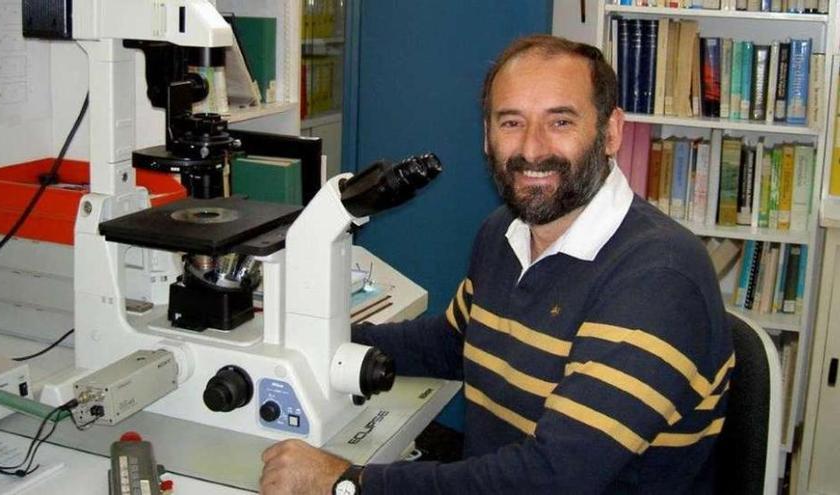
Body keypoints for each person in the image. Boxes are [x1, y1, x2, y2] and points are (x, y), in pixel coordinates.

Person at [260, 34, 733, 494]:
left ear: (610, 132)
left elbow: (554, 478)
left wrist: (344, 483)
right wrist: (314, 340)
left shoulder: (658, 278)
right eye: (511, 122)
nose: (531, 149)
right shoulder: (503, 232)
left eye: (560, 121)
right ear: (487, 137)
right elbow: (450, 343)